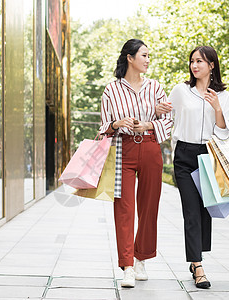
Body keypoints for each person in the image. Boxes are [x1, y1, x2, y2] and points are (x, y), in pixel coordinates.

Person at [99, 39, 173, 288]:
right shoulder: (112, 90)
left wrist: (150, 123)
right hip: (124, 149)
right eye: (144, 55)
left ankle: (141, 258)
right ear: (130, 58)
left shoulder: (155, 88)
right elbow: (103, 128)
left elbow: (169, 121)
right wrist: (117, 124)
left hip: (151, 147)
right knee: (124, 208)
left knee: (149, 207)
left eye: (148, 55)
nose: (148, 60)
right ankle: (127, 266)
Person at [157, 46, 229, 288]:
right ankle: (198, 266)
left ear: (212, 64)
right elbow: (166, 116)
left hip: (208, 155)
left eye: (200, 61)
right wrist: (159, 111)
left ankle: (196, 257)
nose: (194, 65)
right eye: (192, 61)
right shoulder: (181, 90)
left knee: (203, 211)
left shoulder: (222, 95)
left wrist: (216, 107)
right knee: (190, 210)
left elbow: (223, 133)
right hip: (184, 155)